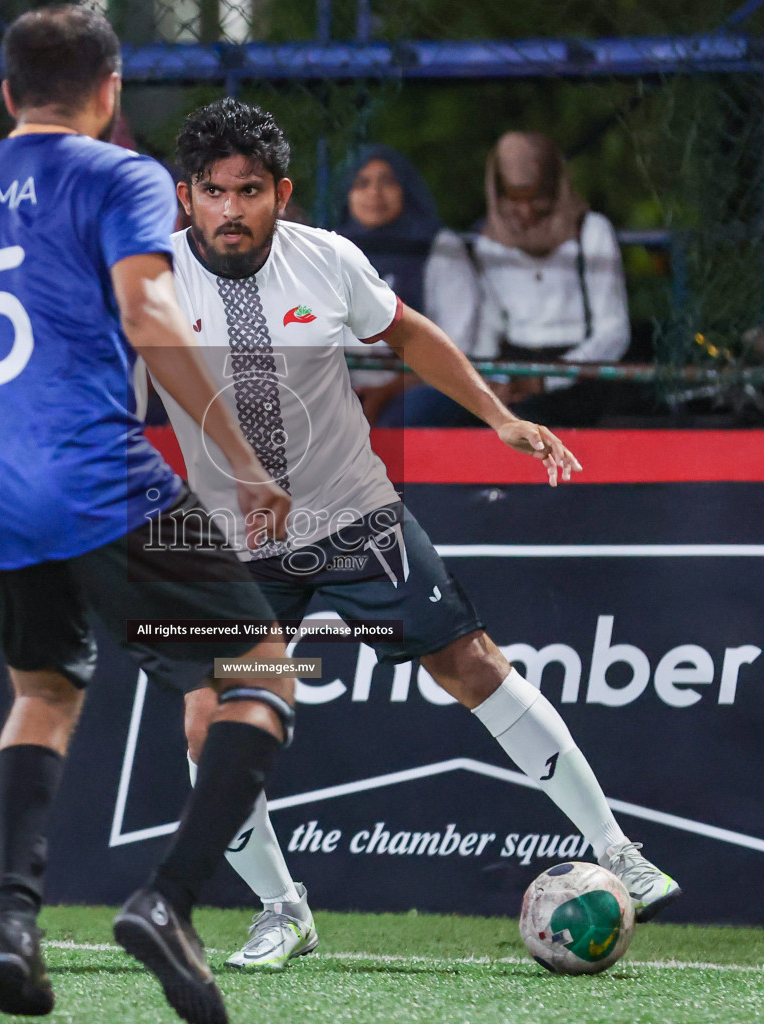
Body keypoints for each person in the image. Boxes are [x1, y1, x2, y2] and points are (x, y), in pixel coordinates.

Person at [154, 99, 680, 971]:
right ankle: (282, 910)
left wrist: (499, 417)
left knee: (471, 664)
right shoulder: (151, 283)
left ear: (280, 193)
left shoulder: (328, 260)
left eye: (250, 190)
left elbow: (409, 334)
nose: (232, 209)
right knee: (210, 720)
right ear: (187, 198)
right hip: (231, 538)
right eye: (214, 192)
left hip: (354, 514)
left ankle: (618, 850)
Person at [0, 9, 296, 1023]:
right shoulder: (119, 175)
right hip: (103, 482)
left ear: (8, 93)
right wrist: (243, 462)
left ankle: (12, 920)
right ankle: (171, 900)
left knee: (45, 691)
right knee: (264, 668)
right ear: (110, 91)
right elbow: (148, 318)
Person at [452, 131, 631, 427]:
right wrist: (489, 381)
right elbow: (490, 323)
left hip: (581, 371)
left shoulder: (591, 232)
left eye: (536, 198)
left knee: (521, 428)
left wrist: (547, 380)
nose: (524, 212)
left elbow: (614, 332)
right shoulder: (491, 241)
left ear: (555, 187)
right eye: (513, 198)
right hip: (512, 367)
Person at [335, 145, 477, 427]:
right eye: (362, 183)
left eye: (387, 181)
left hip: (419, 385)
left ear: (406, 188)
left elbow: (458, 340)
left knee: (404, 420)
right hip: (342, 385)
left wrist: (388, 390)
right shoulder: (328, 248)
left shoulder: (438, 246)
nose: (374, 193)